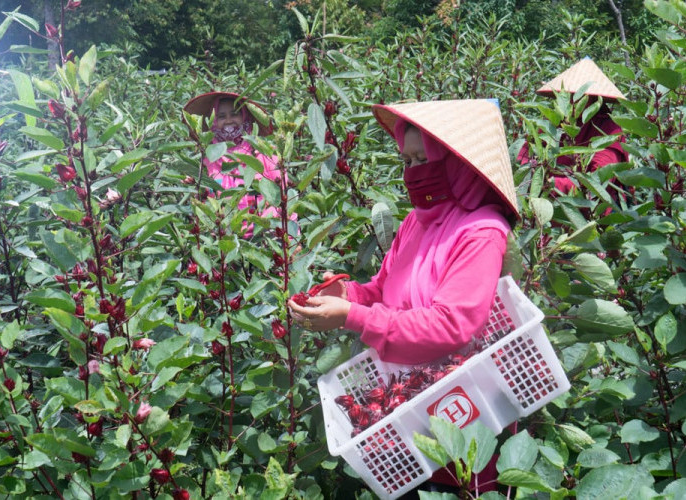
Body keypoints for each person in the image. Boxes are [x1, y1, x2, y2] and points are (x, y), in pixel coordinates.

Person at [289, 99, 519, 365]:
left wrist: (351, 315)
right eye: (407, 161)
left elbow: (450, 327)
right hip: (416, 380)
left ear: (460, 164)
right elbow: (384, 290)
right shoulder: (417, 221)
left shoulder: (481, 234)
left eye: (423, 159)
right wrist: (348, 296)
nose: (413, 172)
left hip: (463, 390)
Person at [517, 57, 629, 201]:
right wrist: (528, 174)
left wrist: (549, 183)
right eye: (566, 96)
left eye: (577, 97)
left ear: (593, 100)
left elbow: (598, 183)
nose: (570, 101)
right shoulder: (552, 122)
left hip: (592, 213)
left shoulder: (609, 129)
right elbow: (524, 156)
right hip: (546, 204)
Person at [183, 91, 282, 236]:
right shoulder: (207, 160)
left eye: (234, 114)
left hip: (263, 238)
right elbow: (200, 204)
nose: (228, 120)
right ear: (214, 121)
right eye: (221, 116)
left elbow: (283, 201)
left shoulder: (265, 155)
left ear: (244, 117)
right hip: (221, 242)